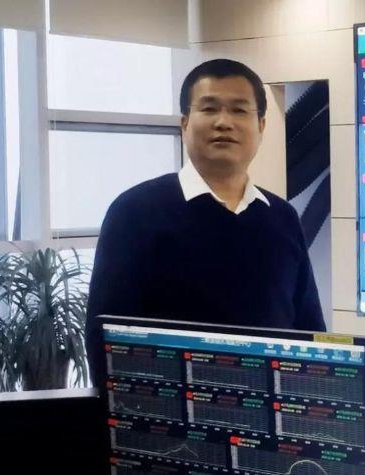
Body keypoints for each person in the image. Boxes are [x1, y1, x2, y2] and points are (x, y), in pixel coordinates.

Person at [85, 59, 325, 383]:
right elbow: (104, 340)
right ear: (185, 123)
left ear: (261, 126)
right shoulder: (134, 213)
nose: (224, 122)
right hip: (170, 410)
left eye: (239, 110)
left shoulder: (281, 217)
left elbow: (310, 332)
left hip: (270, 409)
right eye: (209, 109)